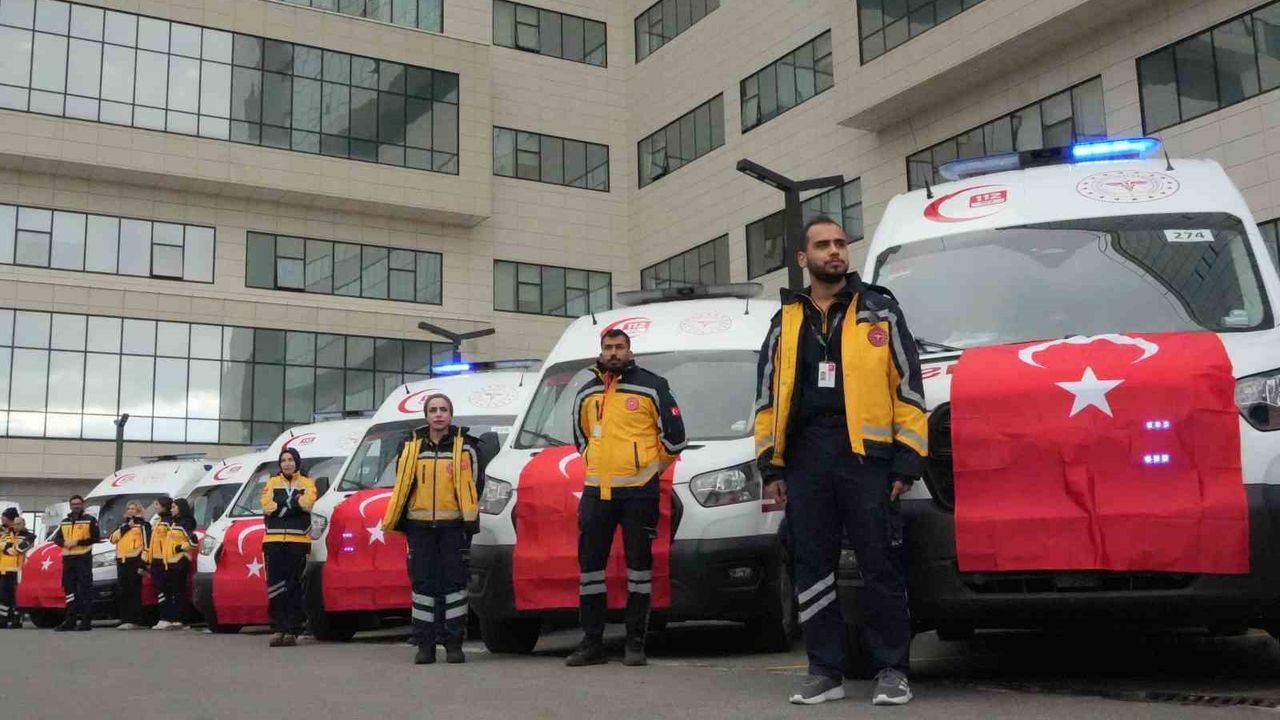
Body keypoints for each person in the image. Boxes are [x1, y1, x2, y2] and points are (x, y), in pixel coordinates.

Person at [754, 216, 928, 706]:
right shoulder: (784, 322)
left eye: (840, 244)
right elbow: (766, 397)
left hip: (866, 457)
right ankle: (824, 671)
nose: (834, 251)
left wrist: (907, 459)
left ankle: (892, 669)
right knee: (812, 565)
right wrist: (771, 465)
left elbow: (908, 387)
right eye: (823, 245)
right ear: (802, 258)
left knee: (880, 563)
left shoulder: (880, 310)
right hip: (806, 457)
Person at [566, 328, 686, 668]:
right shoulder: (587, 391)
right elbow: (581, 438)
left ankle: (635, 643)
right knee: (590, 570)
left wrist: (648, 470)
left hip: (639, 493)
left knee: (639, 570)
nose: (613, 353)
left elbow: (676, 438)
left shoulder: (653, 386)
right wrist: (595, 464)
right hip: (596, 492)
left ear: (630, 351)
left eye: (620, 347)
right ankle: (592, 643)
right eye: (608, 347)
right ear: (601, 351)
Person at [383, 393, 488, 665]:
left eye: (443, 409)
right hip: (419, 528)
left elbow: (476, 484)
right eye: (433, 410)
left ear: (451, 415)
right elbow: (402, 483)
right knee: (423, 585)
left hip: (454, 526)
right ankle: (424, 645)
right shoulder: (410, 446)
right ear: (426, 416)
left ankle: (454, 644)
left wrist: (466, 520)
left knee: (455, 585)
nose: (438, 414)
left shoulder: (467, 447)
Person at [261, 447, 317, 647]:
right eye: (283, 460)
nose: (287, 463)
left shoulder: (308, 483)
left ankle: (292, 629)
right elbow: (267, 506)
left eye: (291, 459)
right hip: (273, 541)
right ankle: (278, 628)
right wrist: (294, 504)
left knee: (294, 585)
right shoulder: (271, 483)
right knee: (276, 586)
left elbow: (308, 503)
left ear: (297, 462)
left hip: (298, 541)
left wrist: (282, 506)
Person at [50, 495, 101, 631]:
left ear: (82, 504)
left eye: (78, 504)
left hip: (83, 558)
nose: (76, 506)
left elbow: (95, 537)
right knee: (69, 590)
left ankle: (86, 621)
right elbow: (57, 539)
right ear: (70, 506)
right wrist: (64, 543)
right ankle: (70, 620)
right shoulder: (65, 521)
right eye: (73, 504)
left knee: (85, 590)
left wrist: (77, 542)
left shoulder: (90, 520)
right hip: (68, 559)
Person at [109, 500, 152, 630]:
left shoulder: (144, 525)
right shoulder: (123, 525)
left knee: (134, 590)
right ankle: (125, 618)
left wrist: (143, 563)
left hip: (135, 559)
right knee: (123, 590)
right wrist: (126, 527)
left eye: (133, 508)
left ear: (139, 510)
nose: (130, 511)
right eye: (129, 508)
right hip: (121, 560)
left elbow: (147, 545)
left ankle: (135, 619)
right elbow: (112, 539)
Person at [156, 498, 198, 630]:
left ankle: (183, 620)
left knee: (179, 591)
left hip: (180, 560)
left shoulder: (186, 522)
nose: (171, 509)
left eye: (174, 507)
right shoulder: (174, 522)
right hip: (169, 561)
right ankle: (175, 618)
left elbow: (193, 541)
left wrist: (179, 548)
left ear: (181, 508)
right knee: (173, 591)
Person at [1, 508, 37, 629]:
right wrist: (10, 547)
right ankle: (3, 619)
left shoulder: (30, 536)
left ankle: (17, 619)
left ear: (23, 524)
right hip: (4, 569)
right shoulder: (6, 534)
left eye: (18, 524)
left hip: (19, 570)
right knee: (3, 596)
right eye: (15, 524)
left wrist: (8, 549)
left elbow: (20, 549)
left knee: (17, 596)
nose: (16, 526)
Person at [147, 497, 174, 629]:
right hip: (155, 560)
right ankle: (163, 616)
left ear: (164, 506)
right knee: (159, 590)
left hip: (164, 560)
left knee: (165, 589)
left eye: (157, 504)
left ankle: (167, 617)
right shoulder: (157, 521)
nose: (155, 507)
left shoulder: (169, 521)